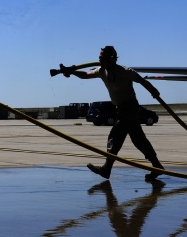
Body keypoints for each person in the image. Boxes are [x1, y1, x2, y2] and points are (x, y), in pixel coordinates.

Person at [60, 46, 164, 182]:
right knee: (139, 139)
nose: (99, 60)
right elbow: (85, 75)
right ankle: (157, 166)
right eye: (99, 58)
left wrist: (154, 91)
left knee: (115, 137)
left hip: (130, 108)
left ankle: (106, 169)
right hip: (120, 109)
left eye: (102, 58)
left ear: (112, 58)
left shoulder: (125, 71)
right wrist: (72, 71)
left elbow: (142, 80)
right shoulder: (102, 71)